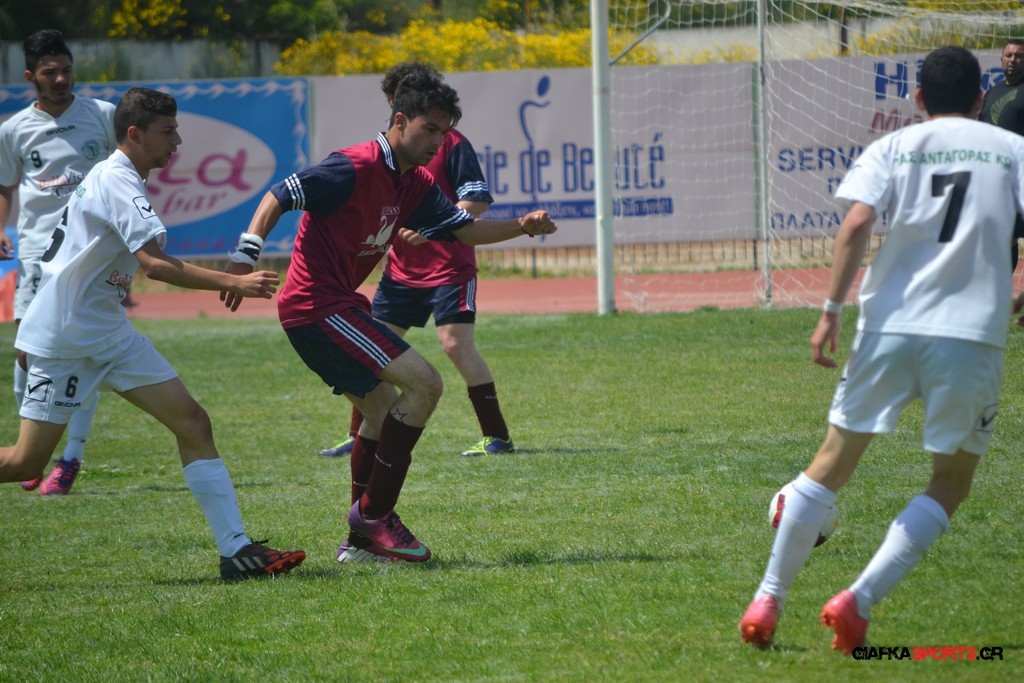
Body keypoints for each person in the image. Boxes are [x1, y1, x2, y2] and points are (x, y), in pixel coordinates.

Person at [739, 46, 1024, 654]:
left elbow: (855, 224)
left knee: (829, 465)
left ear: (918, 99)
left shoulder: (893, 146)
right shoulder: (1012, 149)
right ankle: (858, 600)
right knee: (950, 481)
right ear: (982, 99)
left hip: (888, 326)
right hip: (969, 333)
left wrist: (830, 311)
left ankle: (767, 597)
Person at [222, 71, 556, 564]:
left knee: (380, 408)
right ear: (400, 121)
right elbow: (280, 193)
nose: (437, 141)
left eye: (444, 132)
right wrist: (245, 255)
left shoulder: (415, 183)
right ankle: (375, 515)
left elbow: (464, 231)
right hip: (316, 306)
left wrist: (522, 227)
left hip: (337, 306)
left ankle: (359, 544)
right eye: (429, 129)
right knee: (425, 385)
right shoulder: (354, 165)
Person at [0, 86, 305, 581]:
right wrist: (233, 281)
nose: (177, 141)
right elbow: (155, 265)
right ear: (135, 134)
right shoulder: (117, 179)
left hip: (107, 332)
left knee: (193, 422)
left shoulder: (123, 177)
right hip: (66, 338)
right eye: (168, 132)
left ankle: (236, 552)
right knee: (23, 462)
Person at [318, 61, 514, 459]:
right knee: (370, 349)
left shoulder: (451, 143)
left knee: (455, 344)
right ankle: (359, 436)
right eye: (394, 99)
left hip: (450, 268)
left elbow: (476, 201)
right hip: (402, 272)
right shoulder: (385, 152)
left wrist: (434, 227)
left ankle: (497, 436)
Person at [0, 30, 116, 495]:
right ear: (31, 76)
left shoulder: (102, 115)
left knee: (81, 354)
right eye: (50, 72)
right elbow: (6, 187)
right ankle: (30, 452)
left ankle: (70, 459)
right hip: (35, 255)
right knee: (27, 355)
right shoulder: (13, 129)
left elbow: (129, 168)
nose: (62, 79)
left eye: (67, 70)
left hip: (89, 256)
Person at [979, 38, 1024, 269]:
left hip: (1021, 174)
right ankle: (1003, 286)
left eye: (1019, 56)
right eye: (1009, 55)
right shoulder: (992, 93)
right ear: (1001, 60)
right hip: (997, 176)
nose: (1013, 60)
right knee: (1007, 236)